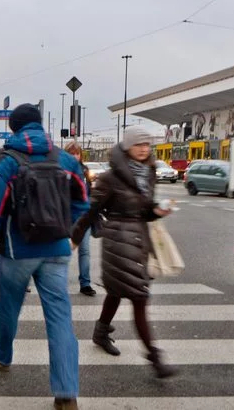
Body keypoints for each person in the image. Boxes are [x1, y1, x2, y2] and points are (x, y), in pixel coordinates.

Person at [0, 104, 89, 410]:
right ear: (40, 125)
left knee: (8, 307)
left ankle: (1, 355)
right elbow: (83, 201)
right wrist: (67, 231)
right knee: (60, 318)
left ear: (14, 128)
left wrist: (5, 237)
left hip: (18, 251)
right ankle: (66, 392)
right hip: (56, 250)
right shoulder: (65, 159)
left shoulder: (7, 161)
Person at [71, 126, 177, 380]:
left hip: (139, 240)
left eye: (147, 145)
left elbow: (144, 210)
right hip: (118, 242)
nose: (143, 149)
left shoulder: (149, 173)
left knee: (117, 291)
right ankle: (154, 356)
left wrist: (156, 211)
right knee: (139, 296)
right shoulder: (110, 178)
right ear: (128, 147)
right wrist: (74, 238)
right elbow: (91, 211)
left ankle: (100, 332)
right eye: (138, 144)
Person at [64, 141, 96, 297]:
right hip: (67, 217)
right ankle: (59, 282)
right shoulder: (61, 171)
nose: (75, 156)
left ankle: (85, 283)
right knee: (64, 251)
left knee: (85, 251)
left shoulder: (84, 171)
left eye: (77, 153)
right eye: (72, 153)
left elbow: (89, 193)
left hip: (83, 217)